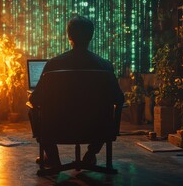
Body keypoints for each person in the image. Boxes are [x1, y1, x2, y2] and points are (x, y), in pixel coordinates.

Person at [28, 15, 125, 168]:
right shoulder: (105, 66)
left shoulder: (53, 64)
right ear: (91, 37)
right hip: (96, 128)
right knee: (105, 114)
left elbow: (35, 100)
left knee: (33, 111)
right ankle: (90, 154)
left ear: (69, 36)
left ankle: (53, 158)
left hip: (57, 128)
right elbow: (119, 99)